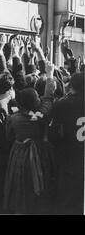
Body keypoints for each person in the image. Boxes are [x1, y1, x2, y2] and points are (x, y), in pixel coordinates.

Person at [3, 61, 56, 214]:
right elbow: (48, 97)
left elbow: (8, 137)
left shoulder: (13, 118)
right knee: (38, 184)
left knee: (19, 185)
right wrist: (50, 74)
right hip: (38, 154)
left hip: (18, 152)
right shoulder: (40, 115)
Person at [49, 72, 84, 214]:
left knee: (68, 199)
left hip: (69, 155)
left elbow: (54, 134)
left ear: (71, 85)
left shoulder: (62, 103)